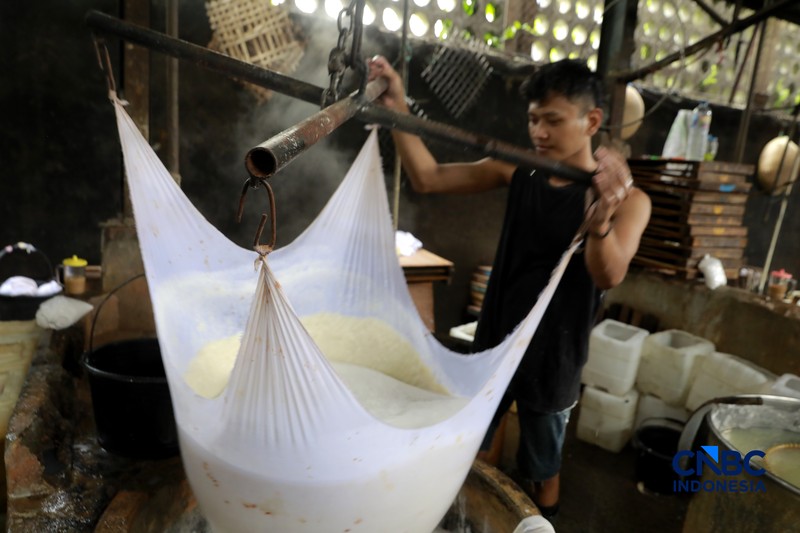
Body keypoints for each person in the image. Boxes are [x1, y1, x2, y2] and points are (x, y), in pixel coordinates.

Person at [368, 56, 651, 518]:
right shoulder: (518, 169)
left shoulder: (631, 201)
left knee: (543, 467)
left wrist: (599, 220)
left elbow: (609, 274)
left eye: (553, 120)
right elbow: (428, 177)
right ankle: (459, 518)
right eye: (533, 119)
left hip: (556, 352)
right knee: (467, 445)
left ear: (591, 121)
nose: (539, 132)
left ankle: (545, 522)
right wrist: (396, 107)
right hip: (496, 340)